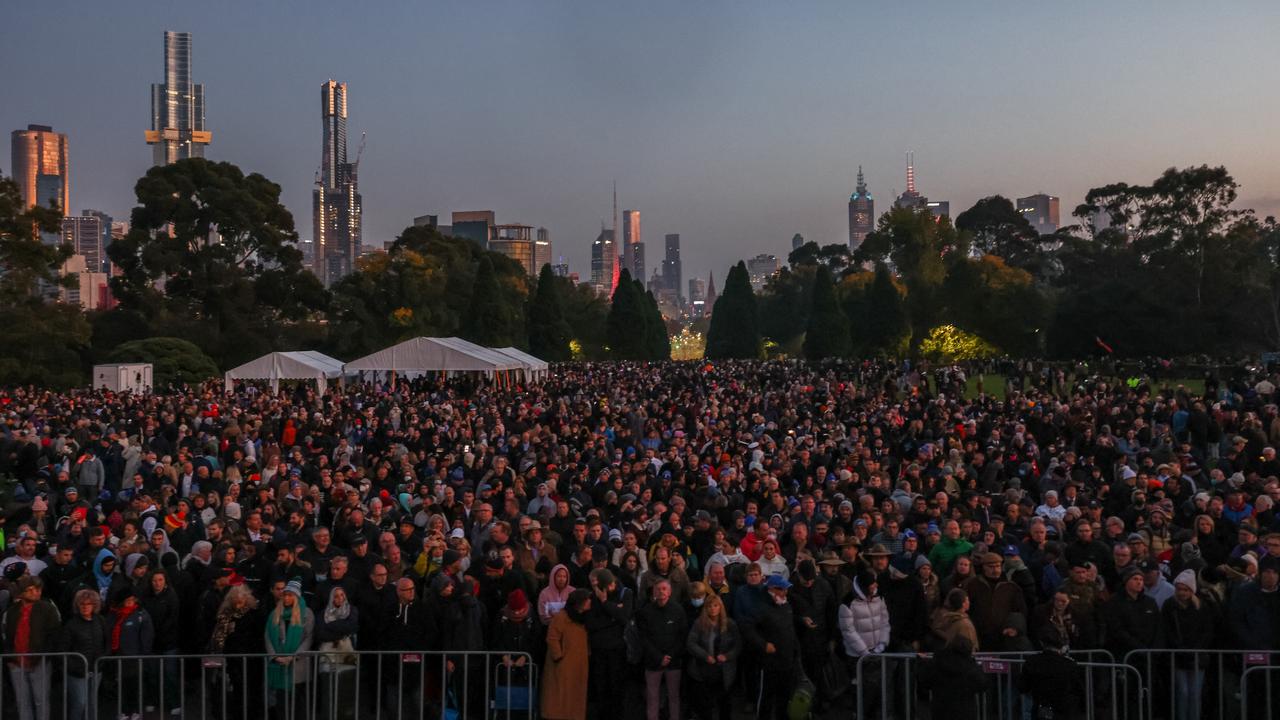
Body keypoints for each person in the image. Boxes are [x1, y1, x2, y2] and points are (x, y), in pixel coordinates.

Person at [2, 576, 61, 720]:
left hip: (39, 661)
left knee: (40, 701)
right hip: (16, 661)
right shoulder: (12, 611)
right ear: (22, 593)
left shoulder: (47, 608)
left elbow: (54, 635)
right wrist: (9, 657)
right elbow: (6, 636)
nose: (36, 592)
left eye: (38, 589)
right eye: (31, 590)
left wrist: (43, 656)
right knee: (22, 702)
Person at [1162, 570, 1215, 720]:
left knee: (1195, 693)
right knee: (1183, 692)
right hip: (1178, 656)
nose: (1182, 593)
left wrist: (1197, 648)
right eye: (1179, 589)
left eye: (1185, 589)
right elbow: (1168, 630)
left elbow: (1207, 630)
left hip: (1197, 656)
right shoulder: (1170, 606)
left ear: (1192, 590)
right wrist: (1179, 648)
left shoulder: (1201, 607)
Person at [637, 579, 688, 720]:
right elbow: (643, 638)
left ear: (670, 592)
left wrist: (670, 656)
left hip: (674, 662)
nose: (661, 592)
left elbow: (682, 637)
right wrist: (658, 657)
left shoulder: (678, 610)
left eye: (664, 589)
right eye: (658, 589)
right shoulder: (645, 612)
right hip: (652, 662)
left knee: (674, 697)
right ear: (653, 592)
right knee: (652, 697)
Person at [264, 579, 314, 718]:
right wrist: (274, 656)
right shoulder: (275, 614)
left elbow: (308, 638)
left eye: (290, 595)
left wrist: (293, 656)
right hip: (279, 665)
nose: (286, 598)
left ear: (297, 596)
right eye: (285, 595)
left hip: (298, 666)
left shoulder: (307, 613)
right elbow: (268, 636)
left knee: (299, 704)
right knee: (281, 704)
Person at [686, 594, 740, 720]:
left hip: (724, 671)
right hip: (704, 670)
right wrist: (705, 656)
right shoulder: (699, 623)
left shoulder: (730, 624)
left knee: (725, 705)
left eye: (716, 605)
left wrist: (727, 656)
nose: (713, 608)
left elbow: (738, 645)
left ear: (720, 607)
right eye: (709, 606)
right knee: (705, 706)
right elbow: (691, 643)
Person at [106, 584, 155, 720]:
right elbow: (108, 632)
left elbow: (147, 636)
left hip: (134, 658)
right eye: (127, 600)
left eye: (132, 600)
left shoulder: (141, 614)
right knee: (122, 686)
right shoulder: (114, 614)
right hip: (119, 657)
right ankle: (123, 710)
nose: (130, 603)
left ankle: (135, 709)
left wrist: (144, 654)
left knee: (135, 685)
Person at [542, 588, 591, 720]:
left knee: (575, 696)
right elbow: (552, 638)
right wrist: (558, 656)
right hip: (563, 664)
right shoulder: (561, 617)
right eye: (587, 600)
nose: (590, 602)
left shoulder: (585, 619)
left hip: (579, 664)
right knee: (560, 697)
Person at [1018, 626, 1084, 720]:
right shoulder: (1069, 664)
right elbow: (1079, 689)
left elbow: (1023, 687)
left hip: (1041, 709)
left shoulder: (1032, 662)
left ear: (1041, 643)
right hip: (1063, 711)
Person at [62, 589, 109, 720]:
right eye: (82, 604)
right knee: (80, 703)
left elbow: (107, 642)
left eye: (88, 604)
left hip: (96, 669)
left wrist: (102, 661)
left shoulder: (101, 621)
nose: (85, 607)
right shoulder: (71, 624)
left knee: (92, 703)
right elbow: (64, 649)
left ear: (94, 605)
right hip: (77, 672)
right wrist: (75, 667)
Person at [917, 635, 988, 720]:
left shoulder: (938, 662)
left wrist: (921, 662)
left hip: (941, 711)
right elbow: (982, 684)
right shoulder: (970, 666)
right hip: (965, 712)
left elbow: (924, 680)